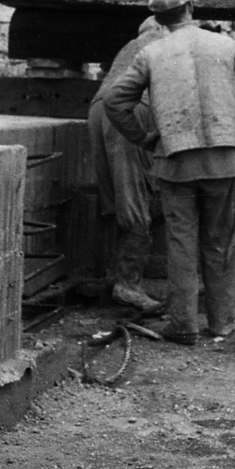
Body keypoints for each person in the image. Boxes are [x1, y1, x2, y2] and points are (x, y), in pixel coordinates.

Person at [103, 0, 235, 345]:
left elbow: (113, 101)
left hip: (174, 163)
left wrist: (145, 138)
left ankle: (184, 325)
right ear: (191, 7)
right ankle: (221, 325)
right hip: (223, 161)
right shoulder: (228, 47)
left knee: (181, 245)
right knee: (220, 244)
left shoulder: (152, 52)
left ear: (157, 19)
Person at [87, 16, 166, 314]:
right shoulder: (164, 41)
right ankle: (129, 286)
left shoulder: (131, 45)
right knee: (136, 197)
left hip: (99, 110)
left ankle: (112, 275)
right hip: (132, 110)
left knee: (114, 200)